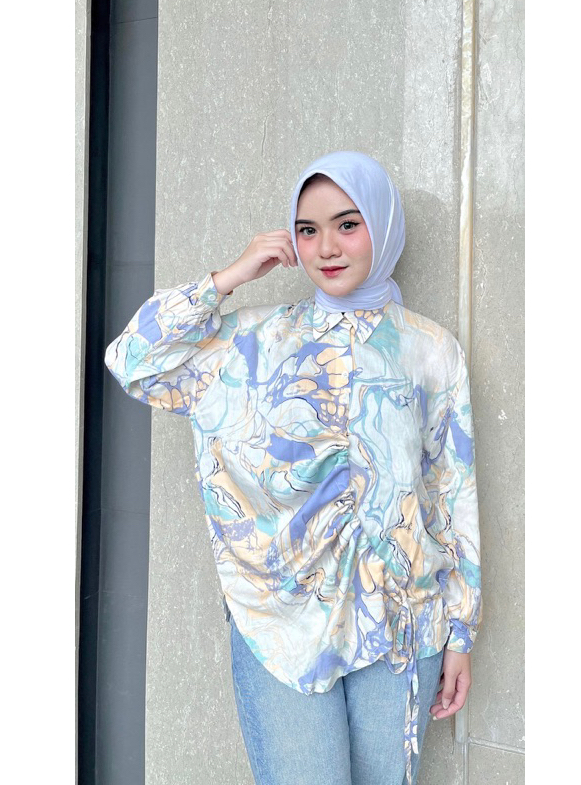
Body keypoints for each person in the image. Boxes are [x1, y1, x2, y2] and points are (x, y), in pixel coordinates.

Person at [104, 151, 482, 785]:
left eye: (347, 224)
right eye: (308, 230)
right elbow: (134, 360)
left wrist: (461, 632)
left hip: (401, 625)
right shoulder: (256, 339)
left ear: (382, 225)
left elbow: (452, 488)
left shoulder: (430, 349)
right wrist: (227, 279)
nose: (326, 247)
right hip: (281, 621)